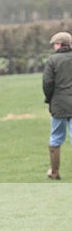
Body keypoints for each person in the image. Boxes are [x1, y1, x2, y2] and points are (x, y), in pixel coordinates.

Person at [42, 31, 72, 180]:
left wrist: (49, 99)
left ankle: (54, 172)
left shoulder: (52, 60)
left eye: (55, 44)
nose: (54, 46)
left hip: (59, 104)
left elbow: (47, 83)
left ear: (60, 44)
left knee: (56, 138)